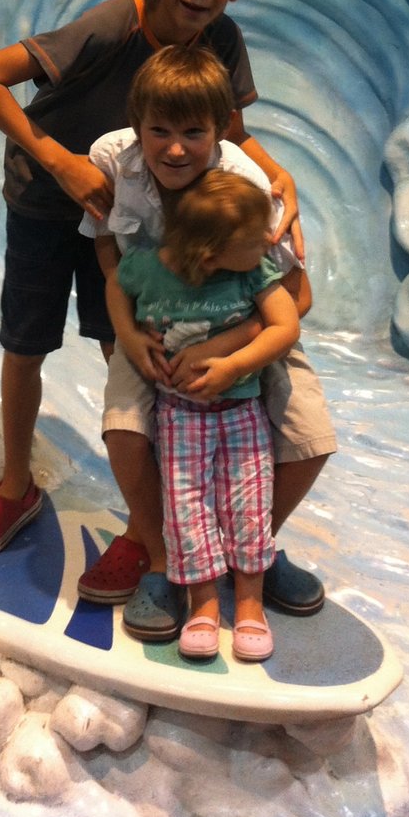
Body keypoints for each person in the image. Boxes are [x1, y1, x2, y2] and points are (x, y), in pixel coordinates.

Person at [0, 0, 301, 569]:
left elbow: (228, 130)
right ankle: (15, 486)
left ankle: (149, 525)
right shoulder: (115, 24)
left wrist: (276, 173)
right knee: (26, 344)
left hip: (125, 215)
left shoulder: (221, 40)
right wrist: (61, 163)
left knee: (129, 348)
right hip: (45, 202)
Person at [81, 45, 335, 640]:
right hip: (153, 329)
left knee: (310, 434)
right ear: (137, 124)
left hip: (247, 327)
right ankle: (165, 561)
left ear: (221, 129)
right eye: (159, 131)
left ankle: (251, 554)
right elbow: (107, 250)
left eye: (193, 133)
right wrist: (129, 336)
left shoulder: (246, 185)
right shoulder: (113, 160)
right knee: (124, 427)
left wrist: (229, 349)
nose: (174, 149)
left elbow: (294, 297)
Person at [110, 171, 300, 661]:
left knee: (249, 500)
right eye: (255, 238)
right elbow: (115, 285)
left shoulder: (252, 271)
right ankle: (204, 605)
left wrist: (235, 365)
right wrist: (129, 335)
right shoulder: (149, 268)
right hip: (180, 415)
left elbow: (286, 325)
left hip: (240, 411)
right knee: (186, 506)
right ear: (210, 254)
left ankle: (251, 605)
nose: (268, 241)